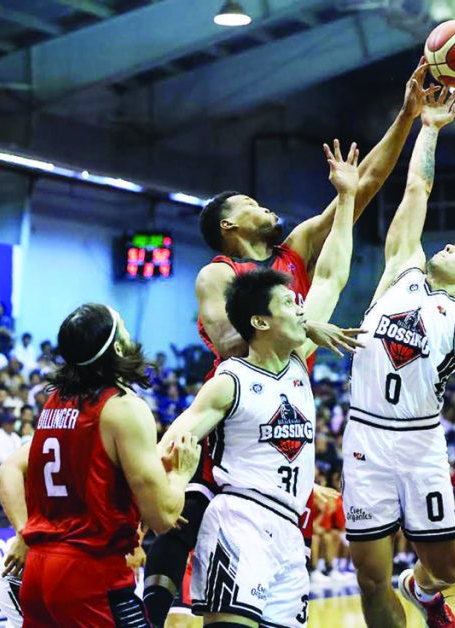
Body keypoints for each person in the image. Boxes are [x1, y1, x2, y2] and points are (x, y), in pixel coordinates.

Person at [141, 63, 427, 628]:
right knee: (190, 507)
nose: (265, 205)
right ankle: (149, 601)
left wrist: (408, 117)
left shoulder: (293, 255)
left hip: (286, 394)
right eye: (250, 201)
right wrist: (299, 326)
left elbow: (361, 190)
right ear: (228, 224)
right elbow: (230, 341)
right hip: (239, 403)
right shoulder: (218, 273)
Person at [156, 135, 361, 627]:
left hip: (289, 533)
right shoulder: (231, 377)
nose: (302, 306)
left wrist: (349, 195)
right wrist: (171, 485)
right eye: (291, 305)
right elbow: (176, 437)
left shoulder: (297, 364)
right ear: (263, 322)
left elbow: (333, 275)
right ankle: (148, 604)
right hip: (240, 521)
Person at [341, 85, 455, 628]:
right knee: (369, 579)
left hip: (421, 445)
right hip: (366, 437)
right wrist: (430, 127)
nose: (449, 245)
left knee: (446, 570)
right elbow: (417, 187)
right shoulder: (403, 270)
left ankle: (420, 590)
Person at [0, 303, 202, 627]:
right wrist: (180, 474)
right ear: (117, 346)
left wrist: (26, 531)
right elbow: (162, 517)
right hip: (89, 574)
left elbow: (11, 470)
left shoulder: (55, 402)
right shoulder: (123, 408)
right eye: (122, 324)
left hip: (38, 571)